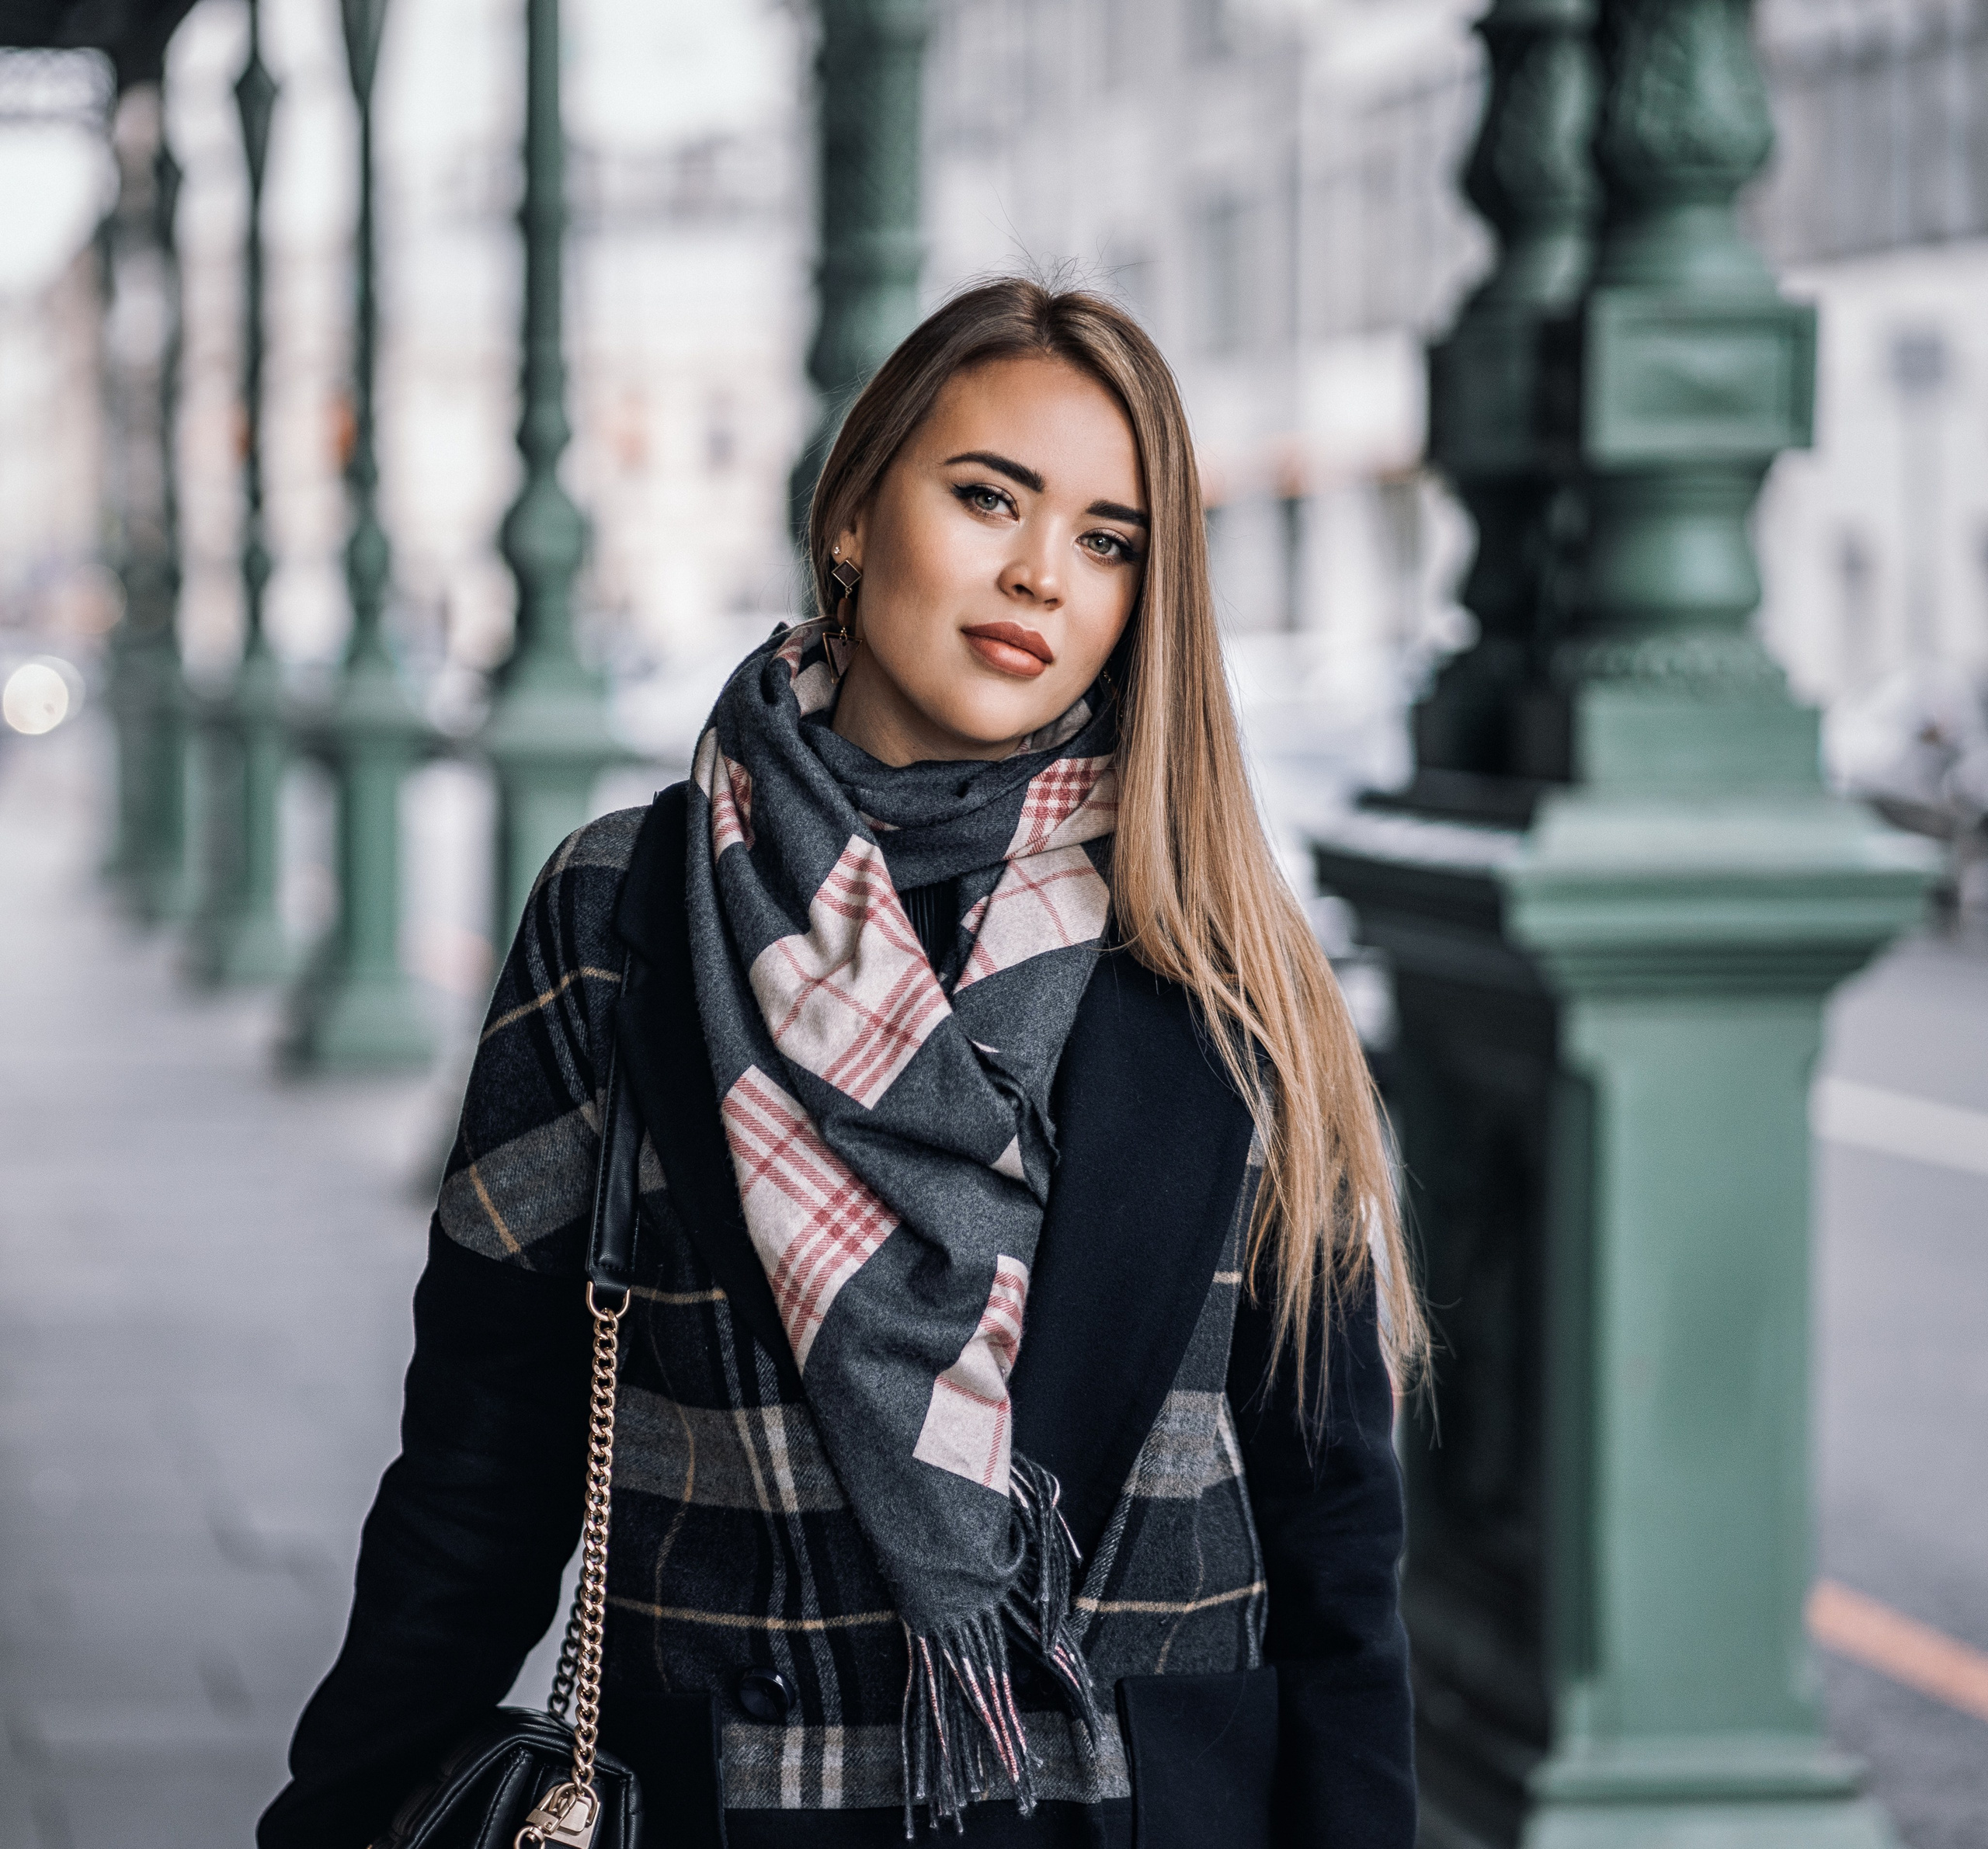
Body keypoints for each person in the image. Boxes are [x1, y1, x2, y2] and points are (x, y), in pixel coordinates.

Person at [258, 278, 1423, 1849]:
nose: (1037, 575)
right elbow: (484, 1448)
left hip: (1146, 1809)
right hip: (740, 1805)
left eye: (1107, 539)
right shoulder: (628, 910)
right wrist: (333, 1812)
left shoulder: (1212, 949)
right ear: (856, 514)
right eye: (987, 497)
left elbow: (1332, 1515)